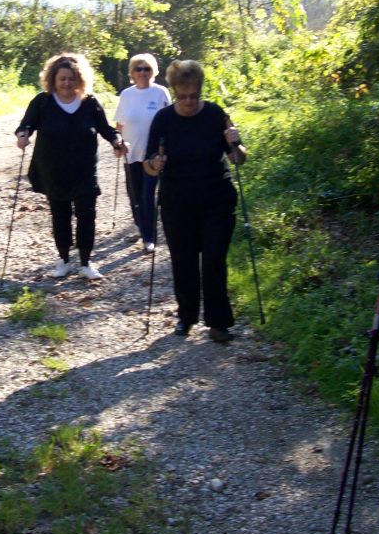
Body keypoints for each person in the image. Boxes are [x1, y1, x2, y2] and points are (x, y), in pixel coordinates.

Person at [143, 60, 246, 343]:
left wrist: (236, 142)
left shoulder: (215, 114)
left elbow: (238, 159)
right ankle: (186, 317)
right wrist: (156, 162)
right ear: (175, 91)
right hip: (177, 200)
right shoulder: (163, 119)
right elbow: (148, 165)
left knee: (214, 259)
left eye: (193, 96)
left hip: (217, 197)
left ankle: (218, 322)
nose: (188, 102)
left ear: (200, 90)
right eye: (182, 96)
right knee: (183, 260)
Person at [15, 53, 127, 280]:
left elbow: (105, 129)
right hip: (52, 170)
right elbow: (25, 125)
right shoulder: (43, 102)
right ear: (53, 80)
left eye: (71, 79)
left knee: (87, 215)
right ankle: (64, 260)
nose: (66, 83)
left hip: (84, 170)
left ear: (80, 80)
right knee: (60, 215)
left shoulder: (90, 103)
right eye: (62, 79)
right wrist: (23, 135)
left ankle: (86, 262)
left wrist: (117, 140)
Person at [114, 53, 171, 252]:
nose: (142, 72)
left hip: (153, 155)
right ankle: (142, 227)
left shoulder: (161, 92)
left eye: (147, 68)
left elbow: (169, 121)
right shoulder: (126, 95)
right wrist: (118, 143)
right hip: (131, 153)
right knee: (135, 196)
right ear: (132, 73)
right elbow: (119, 123)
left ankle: (149, 237)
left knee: (148, 195)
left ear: (153, 71)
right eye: (138, 69)